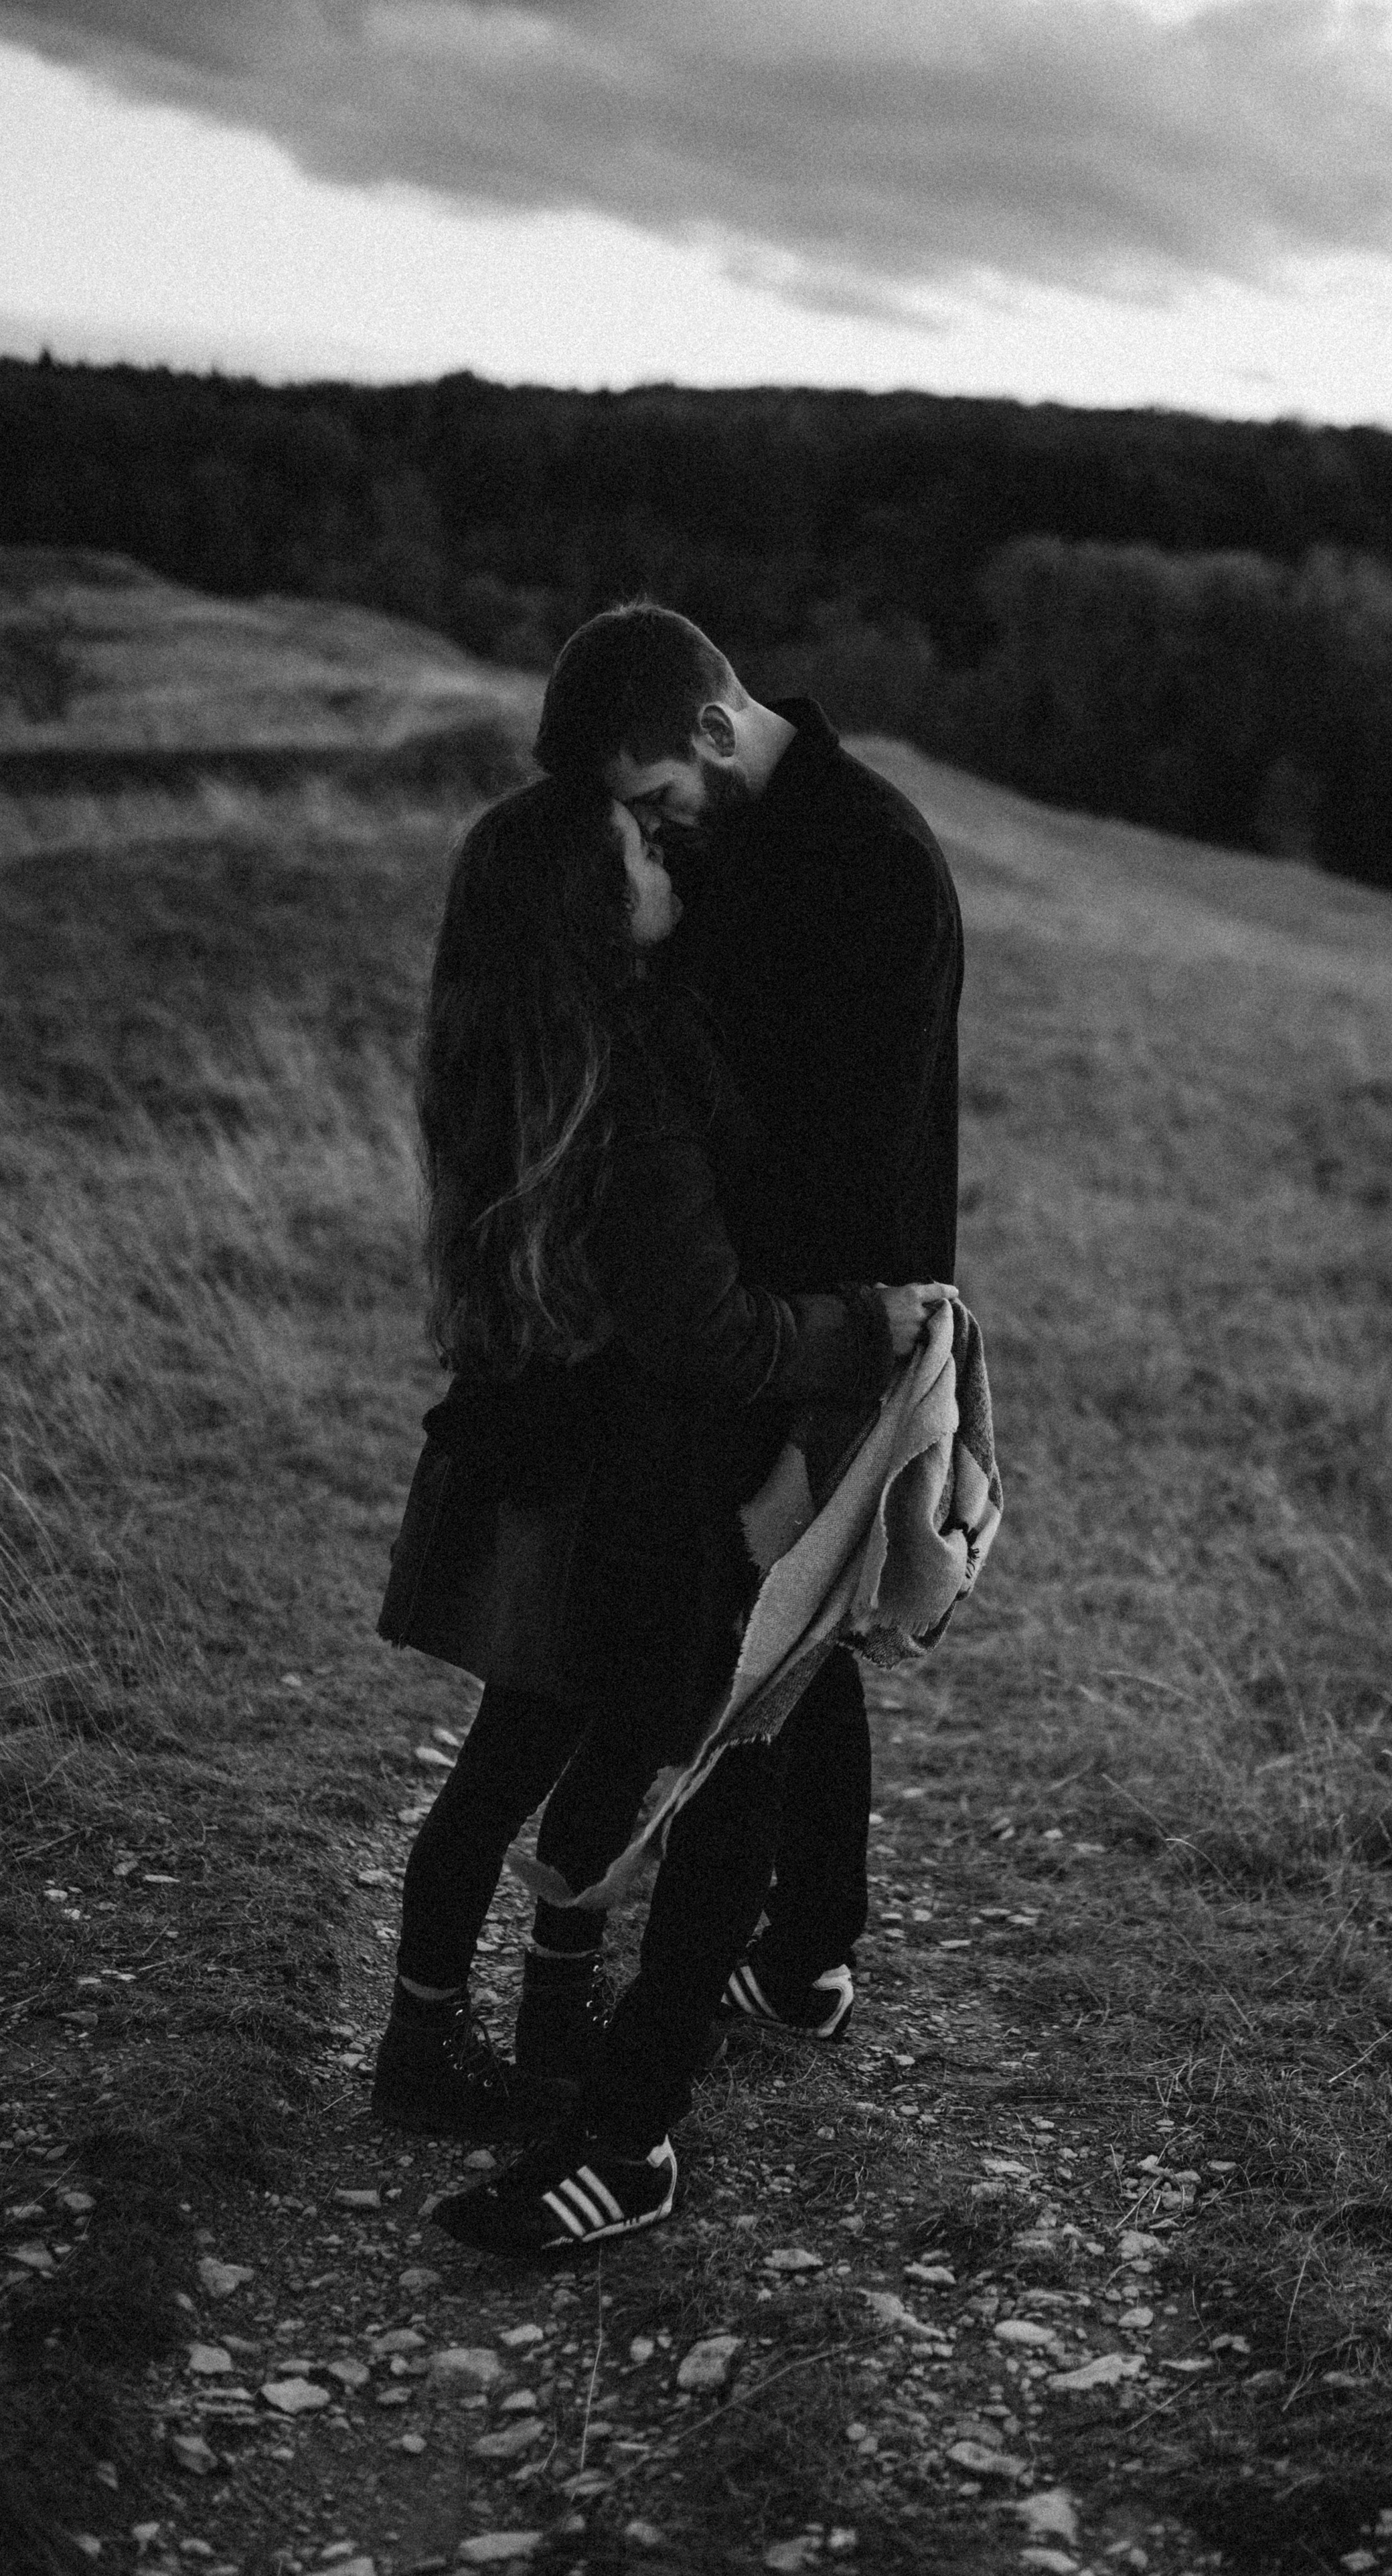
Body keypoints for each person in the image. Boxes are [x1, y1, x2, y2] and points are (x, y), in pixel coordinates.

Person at [371, 769, 949, 2141]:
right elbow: (701, 1326)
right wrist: (857, 1329)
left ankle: (467, 2024)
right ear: (587, 908)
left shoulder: (519, 1052)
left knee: (531, 1754)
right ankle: (466, 2036)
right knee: (561, 1750)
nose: (670, 853)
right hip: (585, 1484)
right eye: (640, 844)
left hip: (529, 1458)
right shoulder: (628, 1082)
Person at [533, 602, 963, 2048]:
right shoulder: (751, 841)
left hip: (822, 1317)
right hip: (748, 1308)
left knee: (786, 1630)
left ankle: (775, 1963)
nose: (659, 835)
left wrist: (783, 1360)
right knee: (786, 1631)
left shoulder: (870, 864)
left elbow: (849, 1152)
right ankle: (797, 1950)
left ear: (713, 731)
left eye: (658, 802)